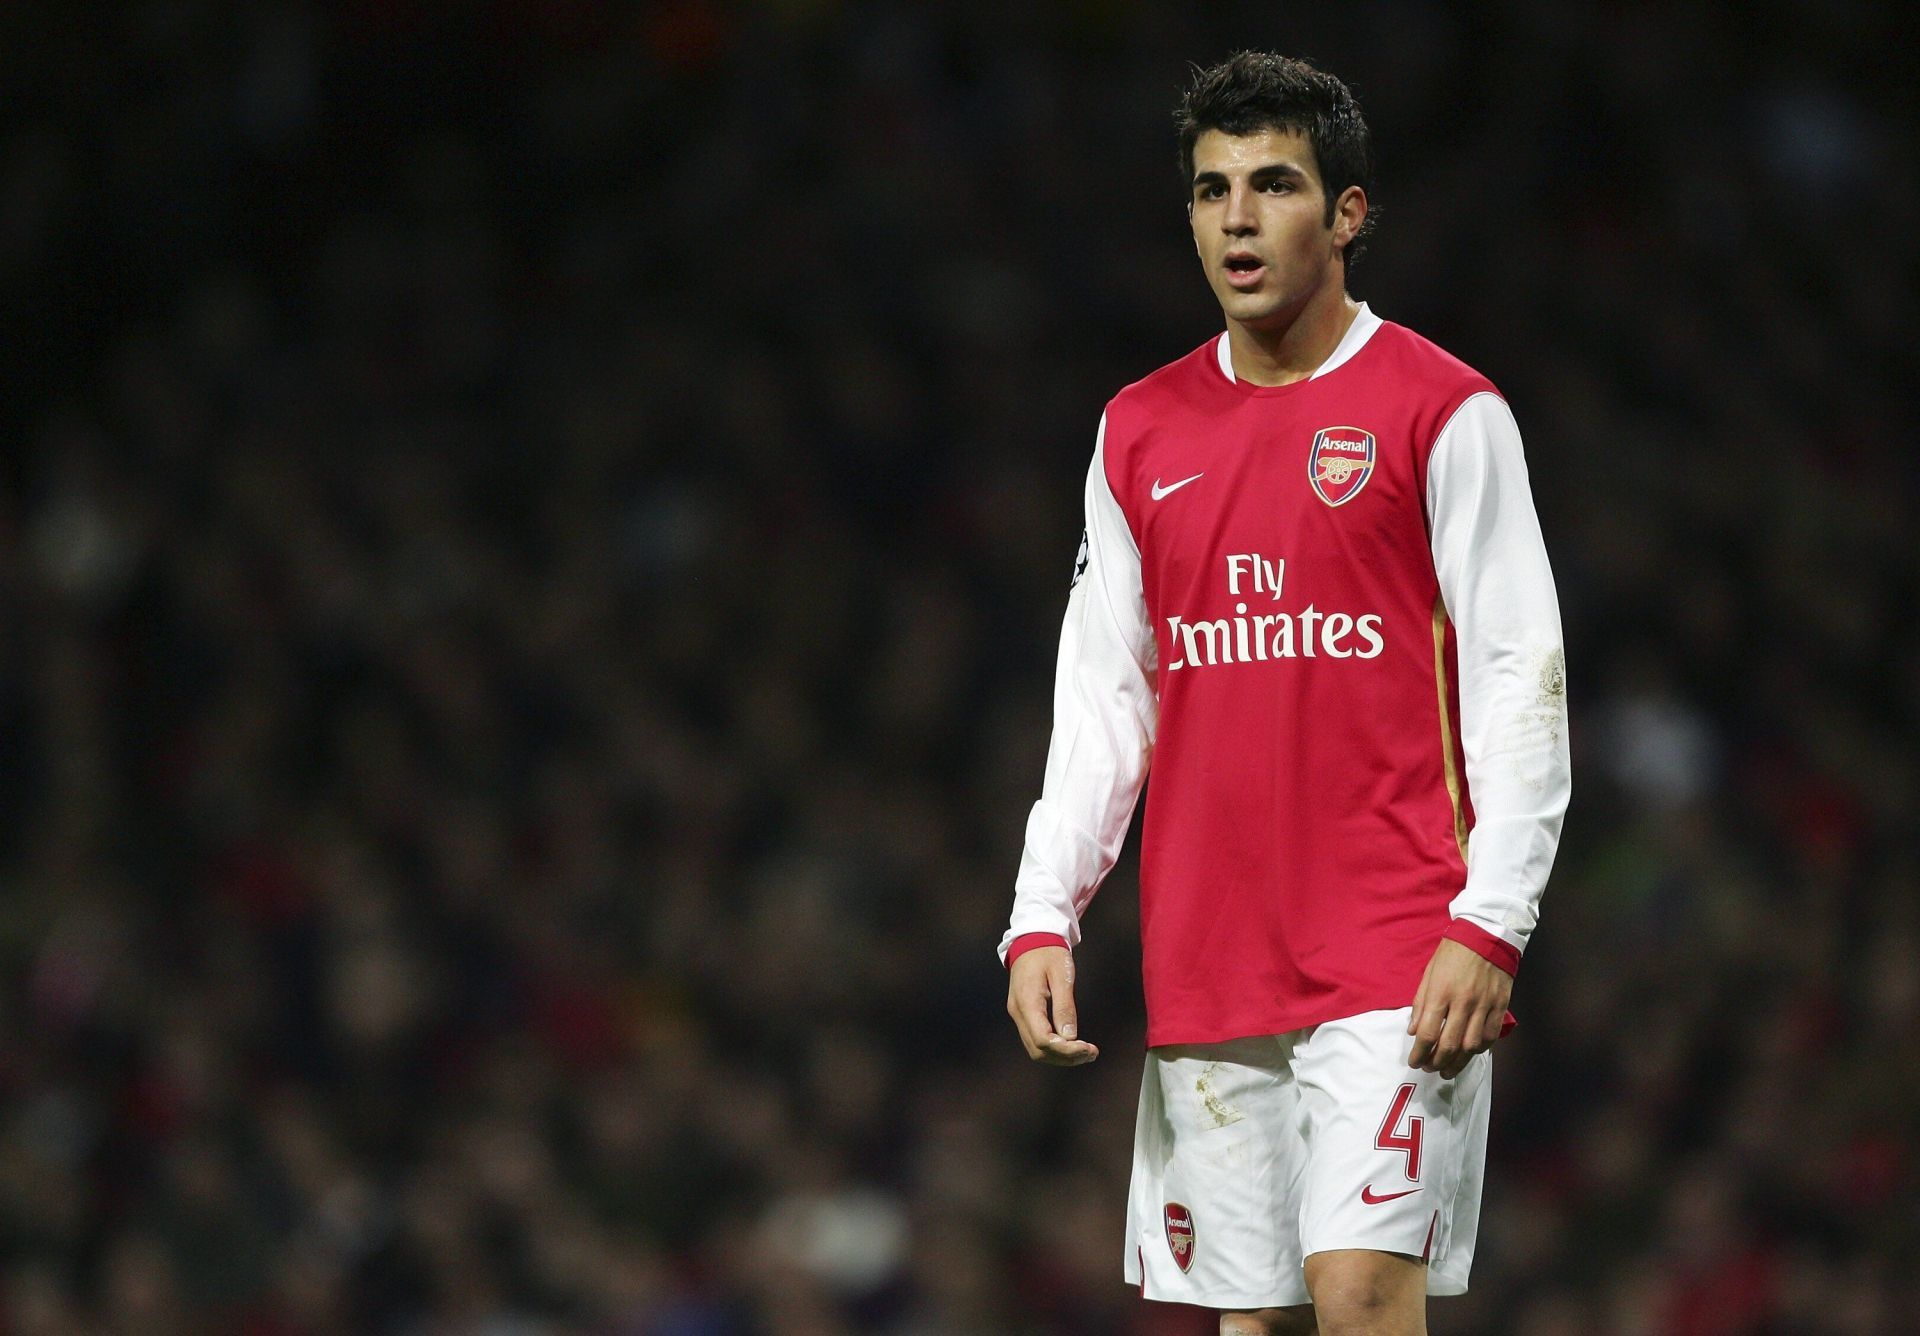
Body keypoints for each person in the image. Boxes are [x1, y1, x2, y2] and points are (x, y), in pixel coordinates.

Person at [1000, 52, 1571, 1335]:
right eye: (1211, 191)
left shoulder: (1444, 411)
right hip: (1210, 947)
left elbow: (1517, 672)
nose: (1238, 219)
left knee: (1363, 1295)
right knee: (1250, 1324)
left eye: (1274, 185)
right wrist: (1042, 912)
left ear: (1350, 213)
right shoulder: (1138, 431)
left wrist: (1493, 920)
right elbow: (1106, 694)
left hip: (1393, 944)